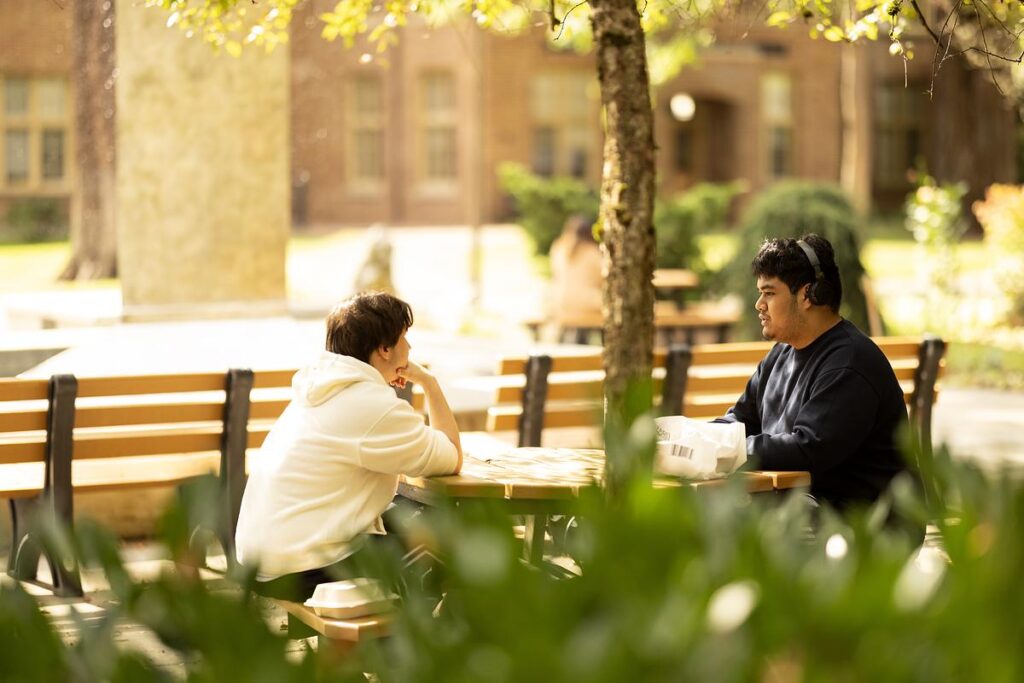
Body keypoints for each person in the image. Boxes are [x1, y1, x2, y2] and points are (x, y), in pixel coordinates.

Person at [234, 291, 462, 600]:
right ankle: (409, 637)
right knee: (441, 525)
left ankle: (399, 630)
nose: (410, 347)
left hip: (262, 565)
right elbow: (450, 456)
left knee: (409, 513)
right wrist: (429, 383)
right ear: (384, 348)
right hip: (302, 570)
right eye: (405, 338)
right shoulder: (371, 406)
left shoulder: (320, 389)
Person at [715, 234, 911, 511]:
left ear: (808, 294)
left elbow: (807, 449)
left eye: (769, 293)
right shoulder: (779, 355)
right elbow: (740, 420)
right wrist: (699, 440)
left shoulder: (849, 363)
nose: (759, 304)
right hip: (805, 510)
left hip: (866, 528)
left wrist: (729, 449)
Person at [546, 214, 603, 343]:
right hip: (587, 302)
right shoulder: (592, 252)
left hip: (560, 301)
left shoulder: (559, 247)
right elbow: (604, 277)